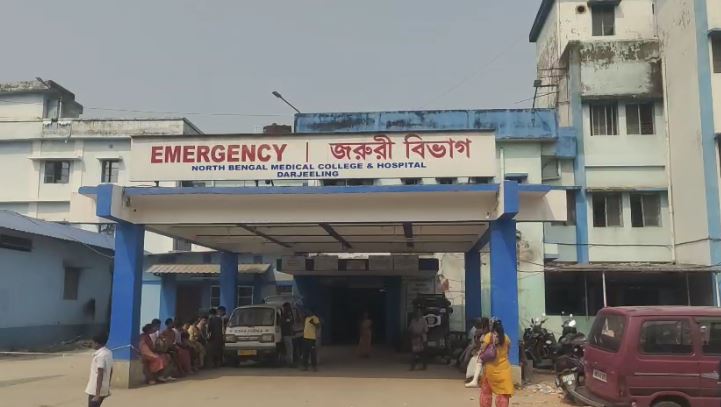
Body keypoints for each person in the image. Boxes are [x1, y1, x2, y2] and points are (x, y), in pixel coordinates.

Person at [479, 320, 514, 407]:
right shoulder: (506, 337)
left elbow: (482, 349)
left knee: (486, 393)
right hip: (505, 370)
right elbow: (508, 350)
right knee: (503, 394)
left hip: (490, 370)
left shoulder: (489, 336)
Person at [85, 332, 113, 407]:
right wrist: (107, 386)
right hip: (104, 387)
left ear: (97, 344)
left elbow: (100, 374)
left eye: (92, 343)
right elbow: (111, 370)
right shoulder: (109, 353)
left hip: (95, 389)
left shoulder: (100, 356)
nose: (91, 345)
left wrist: (97, 395)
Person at [465, 317, 491, 388]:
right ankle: (474, 379)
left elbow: (483, 347)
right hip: (483, 351)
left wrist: (479, 351)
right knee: (474, 358)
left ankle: (475, 380)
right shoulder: (482, 333)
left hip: (487, 353)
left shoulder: (488, 335)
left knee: (476, 359)